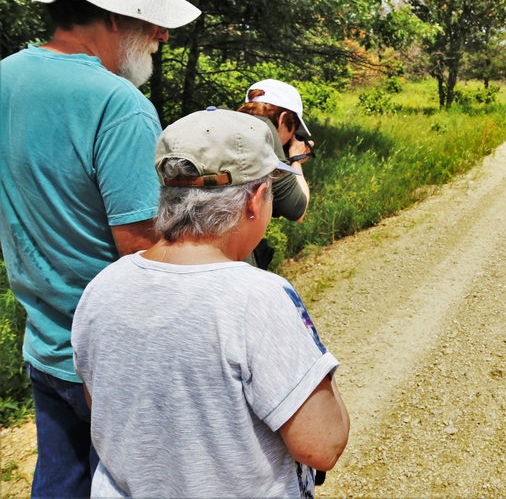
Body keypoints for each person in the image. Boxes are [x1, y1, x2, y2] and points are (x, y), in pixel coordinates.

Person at [0, 0, 200, 497]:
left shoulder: (5, 77)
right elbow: (141, 250)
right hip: (113, 355)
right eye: (151, 18)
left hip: (43, 340)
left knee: (59, 481)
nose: (162, 33)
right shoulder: (119, 106)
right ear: (113, 15)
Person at [71, 108, 350, 497]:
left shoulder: (102, 288)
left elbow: (100, 404)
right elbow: (322, 444)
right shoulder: (258, 297)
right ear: (256, 200)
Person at [236, 79, 315, 268]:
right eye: (293, 129)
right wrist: (295, 159)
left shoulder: (234, 132)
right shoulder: (265, 140)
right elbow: (297, 209)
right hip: (236, 260)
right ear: (283, 119)